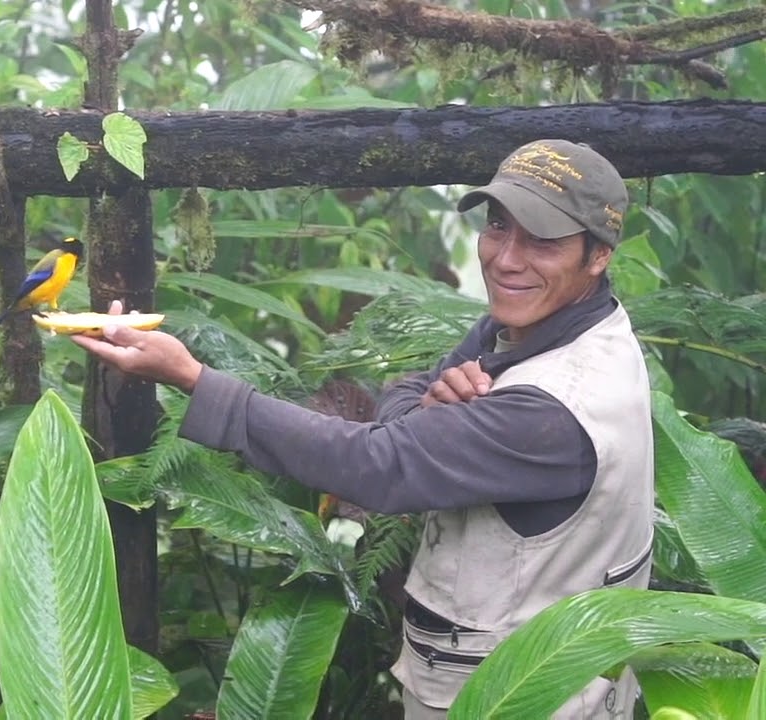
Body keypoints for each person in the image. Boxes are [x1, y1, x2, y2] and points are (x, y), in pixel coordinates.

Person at [72, 139, 654, 719]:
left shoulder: (556, 407)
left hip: (528, 700)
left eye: (542, 242)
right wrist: (430, 411)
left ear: (598, 255)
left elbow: (376, 465)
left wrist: (192, 378)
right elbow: (405, 396)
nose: (505, 259)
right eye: (498, 227)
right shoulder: (554, 325)